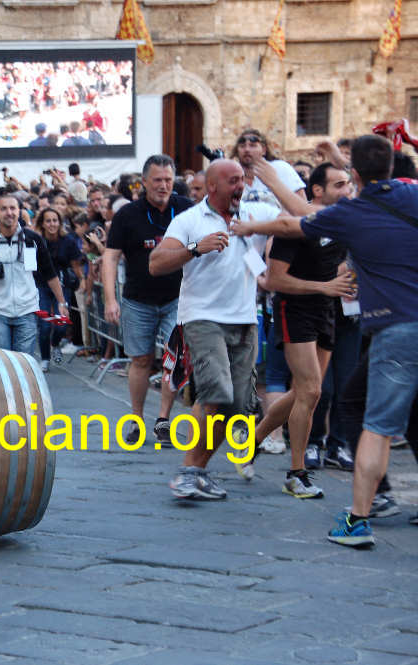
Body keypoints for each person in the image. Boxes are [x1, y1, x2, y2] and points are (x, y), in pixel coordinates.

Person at [231, 135, 418, 546]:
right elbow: (289, 226)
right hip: (331, 316)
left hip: (396, 328)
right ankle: (277, 456)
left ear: (354, 176)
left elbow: (296, 213)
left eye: (346, 178)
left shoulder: (354, 213)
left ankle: (358, 519)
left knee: (372, 423)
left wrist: (270, 178)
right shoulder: (409, 193)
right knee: (322, 394)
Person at [149, 159, 279, 500]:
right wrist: (195, 248)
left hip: (245, 321)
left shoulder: (254, 214)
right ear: (212, 187)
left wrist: (276, 186)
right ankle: (186, 473)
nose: (240, 186)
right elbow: (156, 263)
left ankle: (198, 471)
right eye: (233, 181)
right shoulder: (190, 220)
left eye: (242, 180)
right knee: (216, 393)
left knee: (236, 405)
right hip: (203, 318)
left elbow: (301, 219)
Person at [236, 162, 354, 497]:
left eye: (348, 183)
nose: (347, 191)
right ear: (318, 191)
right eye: (339, 185)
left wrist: (345, 282)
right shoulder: (295, 230)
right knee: (312, 391)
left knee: (303, 392)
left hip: (327, 311)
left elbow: (337, 265)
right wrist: (324, 287)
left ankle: (252, 442)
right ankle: (296, 473)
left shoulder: (342, 223)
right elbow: (274, 280)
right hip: (295, 309)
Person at [103, 155, 193, 444]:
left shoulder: (186, 209)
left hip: (177, 298)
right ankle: (137, 419)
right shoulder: (127, 214)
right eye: (157, 180)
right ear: (144, 182)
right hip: (137, 299)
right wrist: (109, 299)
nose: (164, 185)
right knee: (141, 360)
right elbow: (110, 256)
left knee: (172, 360)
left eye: (168, 180)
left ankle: (164, 419)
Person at [0, 192, 67, 354]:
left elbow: (50, 273)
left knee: (24, 362)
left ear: (19, 211)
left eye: (13, 208)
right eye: (4, 209)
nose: (9, 213)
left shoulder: (33, 239)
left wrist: (62, 302)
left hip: (27, 309)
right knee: (2, 362)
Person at [33, 207, 81, 371]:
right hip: (41, 286)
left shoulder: (68, 242)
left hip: (63, 287)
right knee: (45, 325)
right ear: (43, 223)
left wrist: (79, 281)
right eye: (48, 220)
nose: (52, 224)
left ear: (59, 222)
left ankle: (56, 344)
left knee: (61, 325)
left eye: (55, 220)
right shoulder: (37, 241)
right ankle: (45, 359)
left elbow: (76, 265)